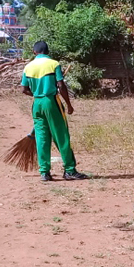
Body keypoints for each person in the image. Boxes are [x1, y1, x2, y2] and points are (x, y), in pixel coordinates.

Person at [21, 41, 87, 182]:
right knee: (61, 135)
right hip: (51, 102)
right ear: (48, 51)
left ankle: (44, 172)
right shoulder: (53, 64)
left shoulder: (28, 67)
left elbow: (24, 90)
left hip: (37, 104)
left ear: (34, 52)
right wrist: (69, 104)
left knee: (41, 138)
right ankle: (70, 170)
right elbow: (61, 86)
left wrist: (37, 94)